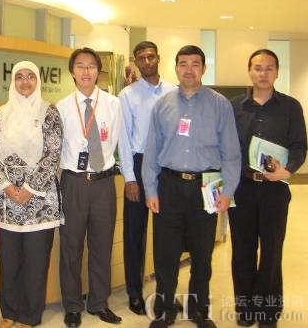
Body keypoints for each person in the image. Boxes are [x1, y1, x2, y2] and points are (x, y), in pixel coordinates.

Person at [142, 45, 241, 328]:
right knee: (166, 254)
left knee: (202, 254)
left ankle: (199, 311)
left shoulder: (220, 105)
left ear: (203, 68)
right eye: (183, 63)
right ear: (175, 68)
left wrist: (228, 191)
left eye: (195, 64)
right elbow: (152, 150)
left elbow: (231, 153)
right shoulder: (162, 104)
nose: (189, 69)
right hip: (169, 186)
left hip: (206, 187)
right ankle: (165, 309)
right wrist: (150, 190)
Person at [229, 49, 307, 328]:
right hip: (242, 188)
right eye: (258, 68)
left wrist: (288, 170)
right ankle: (245, 309)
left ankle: (268, 312)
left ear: (277, 72)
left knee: (272, 251)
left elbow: (299, 145)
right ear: (249, 71)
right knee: (243, 250)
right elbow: (226, 146)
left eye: (269, 68)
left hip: (275, 189)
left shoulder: (290, 107)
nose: (263, 73)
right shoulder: (234, 106)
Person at [0, 61, 63, 328]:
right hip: (6, 199)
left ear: (38, 81)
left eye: (30, 76)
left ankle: (30, 316)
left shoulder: (48, 112)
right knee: (9, 260)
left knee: (36, 261)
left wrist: (30, 189)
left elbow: (52, 153)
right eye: (19, 77)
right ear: (13, 82)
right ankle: (9, 312)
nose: (25, 82)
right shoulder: (2, 112)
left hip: (39, 200)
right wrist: (7, 186)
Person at [58, 47, 126, 328]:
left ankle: (99, 302)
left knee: (101, 246)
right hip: (73, 183)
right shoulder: (61, 107)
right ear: (72, 72)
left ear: (99, 71)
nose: (86, 71)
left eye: (91, 66)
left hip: (103, 183)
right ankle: (72, 305)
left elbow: (119, 142)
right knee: (70, 248)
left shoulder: (113, 104)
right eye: (80, 66)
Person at [117, 41, 177, 316]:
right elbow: (124, 139)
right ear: (136, 62)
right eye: (141, 58)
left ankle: (166, 292)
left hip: (168, 166)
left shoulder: (174, 92)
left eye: (151, 56)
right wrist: (130, 177)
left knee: (168, 235)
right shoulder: (127, 95)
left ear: (158, 58)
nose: (147, 61)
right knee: (134, 235)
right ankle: (134, 293)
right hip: (139, 165)